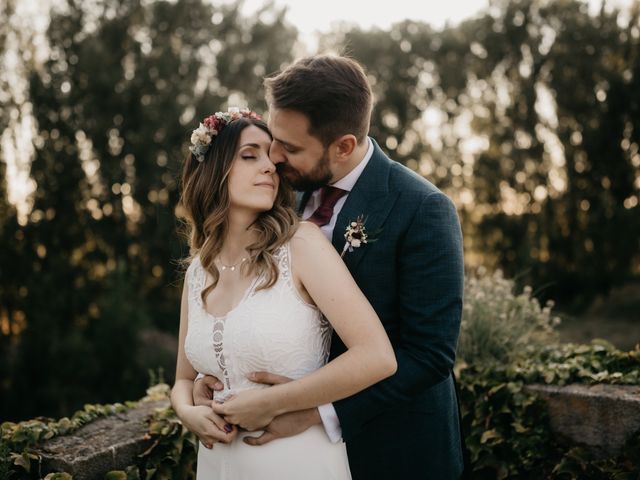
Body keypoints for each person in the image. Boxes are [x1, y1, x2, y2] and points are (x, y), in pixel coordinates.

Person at [194, 55, 466, 479]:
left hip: (396, 448)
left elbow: (430, 354)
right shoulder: (284, 195)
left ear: (343, 146)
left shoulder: (423, 209)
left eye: (291, 147)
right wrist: (221, 374)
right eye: (273, 140)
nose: (275, 158)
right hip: (291, 454)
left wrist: (317, 412)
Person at [170, 107, 397, 479]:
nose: (270, 166)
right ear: (213, 171)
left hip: (296, 459)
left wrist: (273, 403)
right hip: (218, 464)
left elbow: (377, 356)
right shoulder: (199, 270)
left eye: (271, 155)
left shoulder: (301, 244)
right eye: (250, 156)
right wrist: (188, 412)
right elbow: (182, 379)